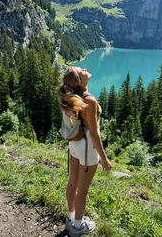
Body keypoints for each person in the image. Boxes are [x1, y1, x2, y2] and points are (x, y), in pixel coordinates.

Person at [58, 66, 112, 236]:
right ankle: (77, 227)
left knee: (73, 183)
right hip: (87, 147)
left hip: (74, 144)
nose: (83, 68)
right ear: (80, 82)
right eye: (79, 70)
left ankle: (71, 218)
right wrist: (104, 158)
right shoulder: (89, 101)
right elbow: (94, 133)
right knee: (82, 190)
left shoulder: (67, 94)